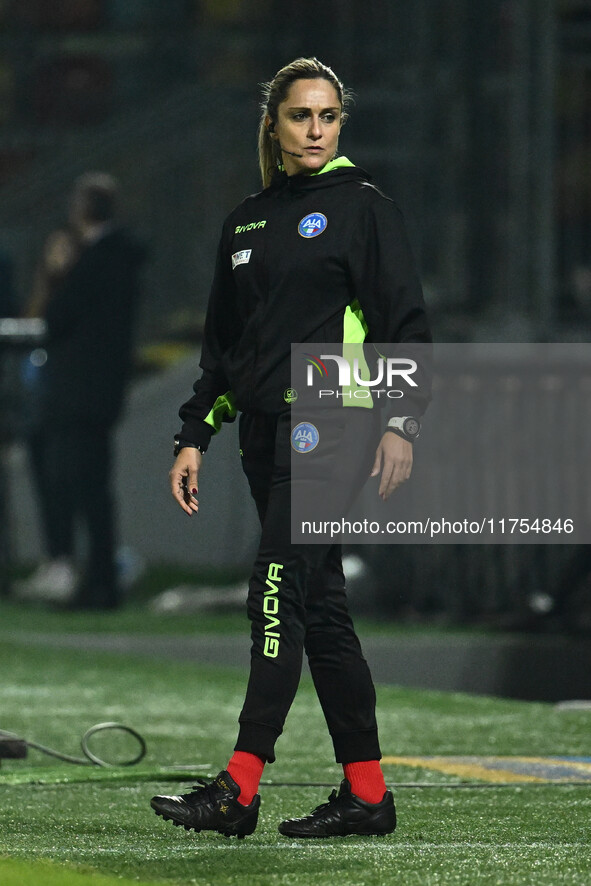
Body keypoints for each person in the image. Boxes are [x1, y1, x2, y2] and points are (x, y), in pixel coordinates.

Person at [151, 57, 431, 839]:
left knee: (273, 590)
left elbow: (403, 325)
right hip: (262, 430)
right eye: (300, 115)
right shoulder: (245, 219)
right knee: (320, 609)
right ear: (272, 125)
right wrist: (194, 433)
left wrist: (401, 424)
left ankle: (239, 786)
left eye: (328, 116)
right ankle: (367, 795)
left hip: (331, 422)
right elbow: (227, 345)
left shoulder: (364, 207)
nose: (315, 129)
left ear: (340, 123)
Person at [17, 173, 146, 610]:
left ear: (81, 209)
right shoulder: (122, 256)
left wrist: (56, 273)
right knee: (94, 490)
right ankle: (99, 579)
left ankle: (93, 581)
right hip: (101, 394)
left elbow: (55, 318)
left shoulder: (95, 260)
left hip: (77, 395)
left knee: (78, 488)